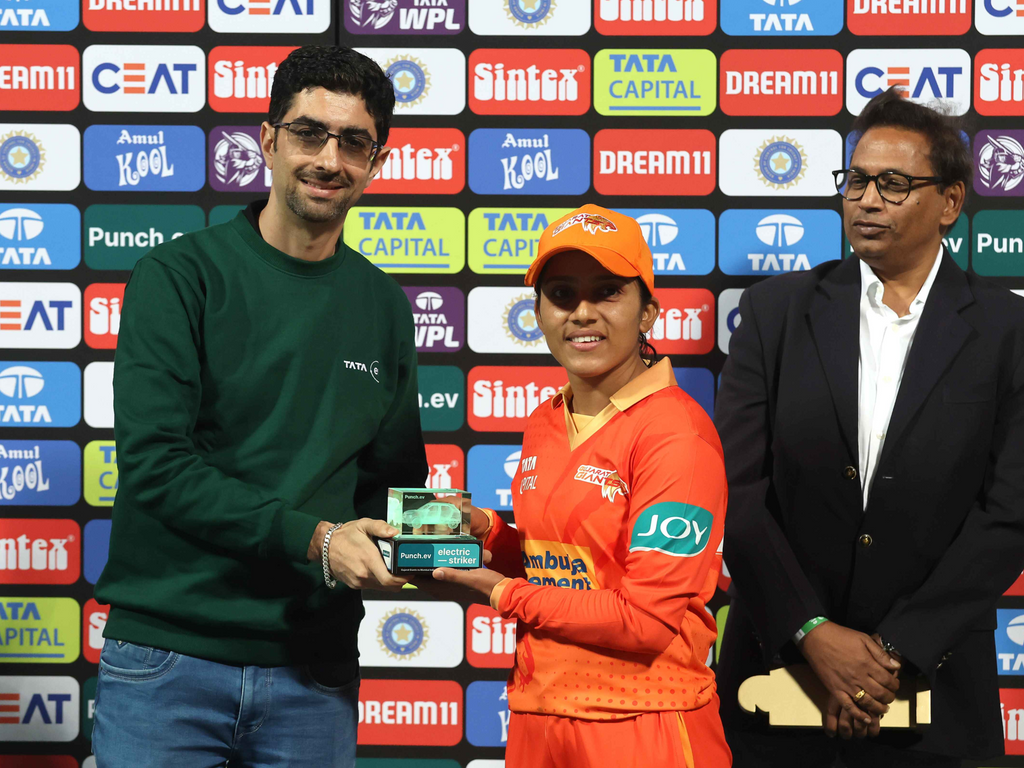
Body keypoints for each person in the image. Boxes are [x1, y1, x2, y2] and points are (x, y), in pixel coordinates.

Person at [91, 46, 428, 767]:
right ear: (269, 140)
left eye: (354, 143)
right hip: (169, 660)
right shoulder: (179, 276)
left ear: (378, 161)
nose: (329, 160)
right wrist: (318, 539)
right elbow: (156, 466)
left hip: (314, 671)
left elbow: (392, 484)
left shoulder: (383, 305)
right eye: (309, 134)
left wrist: (453, 540)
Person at [714, 87, 1024, 767]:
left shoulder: (1009, 330)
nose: (867, 200)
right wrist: (811, 632)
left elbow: (1011, 514)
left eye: (893, 184)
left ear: (950, 202)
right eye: (856, 181)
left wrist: (892, 653)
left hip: (936, 688)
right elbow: (736, 493)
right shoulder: (774, 314)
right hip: (776, 678)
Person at [433, 205, 733, 768]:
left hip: (644, 720)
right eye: (562, 294)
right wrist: (487, 534)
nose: (583, 313)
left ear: (648, 312)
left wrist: (500, 592)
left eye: (607, 292)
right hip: (539, 714)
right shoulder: (546, 419)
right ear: (539, 313)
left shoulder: (677, 435)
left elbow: (646, 622)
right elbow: (564, 568)